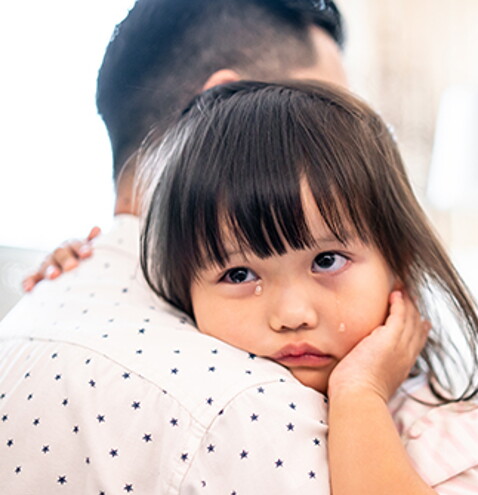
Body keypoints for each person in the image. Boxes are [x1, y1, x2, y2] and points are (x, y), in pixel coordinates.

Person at [136, 79, 478, 493]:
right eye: (239, 275)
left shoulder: (442, 436)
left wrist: (359, 393)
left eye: (326, 261)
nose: (292, 315)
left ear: (399, 264)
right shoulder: (234, 417)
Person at [0, 1, 349, 493]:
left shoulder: (26, 325)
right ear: (225, 106)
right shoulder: (259, 410)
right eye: (323, 117)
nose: (348, 150)